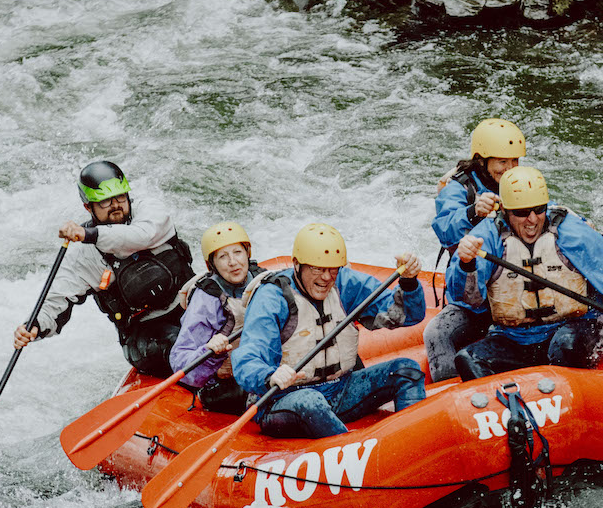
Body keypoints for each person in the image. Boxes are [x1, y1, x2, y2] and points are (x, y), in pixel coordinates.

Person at [447, 166, 603, 381]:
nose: (532, 220)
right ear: (504, 210)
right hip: (514, 337)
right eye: (522, 213)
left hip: (573, 329)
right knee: (468, 358)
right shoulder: (486, 237)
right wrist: (466, 264)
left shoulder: (571, 232)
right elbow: (467, 298)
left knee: (565, 346)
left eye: (539, 209)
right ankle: (508, 408)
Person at [230, 223, 429, 438]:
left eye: (332, 268)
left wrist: (408, 283)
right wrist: (269, 374)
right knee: (310, 401)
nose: (326, 277)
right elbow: (247, 358)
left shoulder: (346, 283)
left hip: (339, 389)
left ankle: (415, 441)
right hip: (283, 400)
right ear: (297, 265)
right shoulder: (272, 297)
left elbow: (407, 316)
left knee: (406, 370)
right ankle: (352, 457)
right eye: (317, 268)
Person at [13, 160, 193, 377]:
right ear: (88, 207)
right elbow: (56, 300)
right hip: (147, 332)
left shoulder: (150, 211)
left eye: (119, 197)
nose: (115, 205)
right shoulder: (83, 255)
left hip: (192, 305)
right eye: (105, 201)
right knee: (176, 345)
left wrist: (90, 235)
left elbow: (140, 237)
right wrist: (34, 326)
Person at [422, 118, 527, 381]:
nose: (510, 168)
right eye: (502, 162)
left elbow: (547, 213)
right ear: (482, 160)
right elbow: (444, 229)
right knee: (436, 333)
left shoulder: (523, 183)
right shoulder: (459, 187)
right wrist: (472, 212)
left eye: (514, 161)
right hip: (474, 297)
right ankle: (447, 395)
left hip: (516, 286)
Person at [169, 221, 267, 413]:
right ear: (211, 264)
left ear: (248, 253)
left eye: (237, 252)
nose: (233, 262)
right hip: (226, 385)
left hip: (263, 368)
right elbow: (180, 361)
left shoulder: (263, 280)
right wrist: (210, 352)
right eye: (223, 256)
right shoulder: (207, 299)